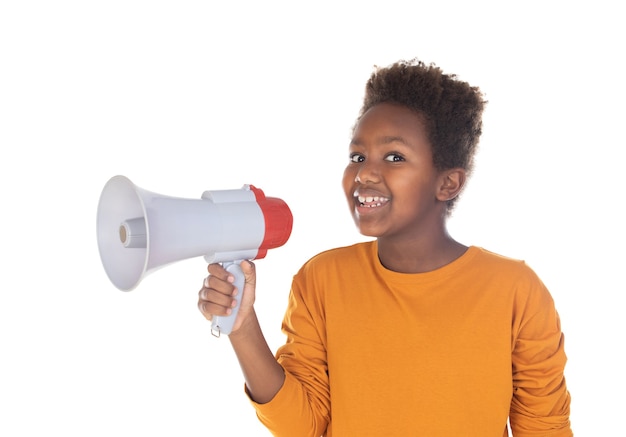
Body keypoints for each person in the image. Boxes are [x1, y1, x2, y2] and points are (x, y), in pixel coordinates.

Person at [198, 58, 573, 436]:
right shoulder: (322, 279)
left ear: (448, 183)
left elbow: (545, 426)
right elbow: (304, 426)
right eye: (357, 157)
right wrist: (242, 327)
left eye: (394, 157)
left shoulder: (516, 290)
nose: (364, 173)